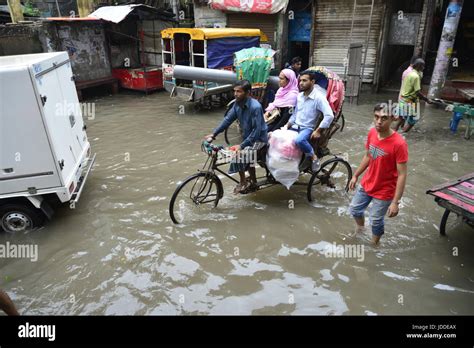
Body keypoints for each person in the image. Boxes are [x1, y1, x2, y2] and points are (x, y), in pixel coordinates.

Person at [349, 103, 408, 245]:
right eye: (376, 117)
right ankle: (361, 229)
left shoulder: (399, 144)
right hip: (368, 182)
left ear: (393, 119)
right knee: (355, 209)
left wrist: (395, 202)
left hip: (385, 189)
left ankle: (375, 244)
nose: (379, 122)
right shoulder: (372, 133)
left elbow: (402, 174)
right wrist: (356, 175)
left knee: (375, 220)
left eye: (384, 118)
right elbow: (369, 156)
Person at [205, 80, 267, 194]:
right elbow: (227, 120)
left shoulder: (255, 107)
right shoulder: (237, 105)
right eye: (235, 91)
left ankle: (243, 181)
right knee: (248, 157)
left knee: (239, 155)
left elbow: (257, 131)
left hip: (259, 139)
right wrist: (214, 134)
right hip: (248, 137)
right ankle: (253, 181)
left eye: (239, 91)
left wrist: (242, 145)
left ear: (247, 92)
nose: (235, 94)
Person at [284, 70, 334, 172]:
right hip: (295, 126)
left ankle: (313, 156)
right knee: (280, 138)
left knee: (299, 140)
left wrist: (318, 130)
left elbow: (329, 115)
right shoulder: (299, 96)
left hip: (307, 128)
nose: (301, 83)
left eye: (304, 80)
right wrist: (287, 125)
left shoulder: (319, 98)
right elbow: (295, 114)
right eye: (300, 80)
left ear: (312, 82)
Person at [394, 58, 432, 133]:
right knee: (414, 119)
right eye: (422, 66)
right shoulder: (416, 76)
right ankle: (403, 134)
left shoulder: (409, 73)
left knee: (401, 118)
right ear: (419, 66)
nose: (423, 68)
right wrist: (426, 99)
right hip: (409, 101)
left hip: (403, 99)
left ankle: (393, 133)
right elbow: (417, 92)